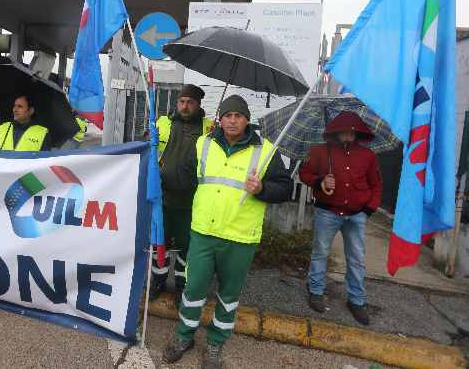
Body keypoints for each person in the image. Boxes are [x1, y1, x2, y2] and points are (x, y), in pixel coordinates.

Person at [164, 95, 291, 369]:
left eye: (238, 116)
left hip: (240, 237)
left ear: (247, 120)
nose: (232, 120)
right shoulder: (202, 144)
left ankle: (215, 343)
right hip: (203, 233)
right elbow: (183, 177)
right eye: (228, 115)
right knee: (193, 289)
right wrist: (157, 171)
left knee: (228, 296)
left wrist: (262, 189)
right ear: (219, 119)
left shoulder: (266, 150)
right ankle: (184, 336)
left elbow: (285, 189)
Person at [299, 111, 382, 326]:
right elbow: (304, 173)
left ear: (358, 134)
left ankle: (357, 300)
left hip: (357, 215)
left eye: (352, 133)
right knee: (321, 253)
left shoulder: (368, 156)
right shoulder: (320, 152)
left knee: (356, 258)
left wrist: (368, 209)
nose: (348, 136)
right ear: (335, 132)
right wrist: (320, 181)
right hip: (327, 212)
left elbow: (376, 184)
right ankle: (316, 290)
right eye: (343, 132)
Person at [150, 84, 213, 303]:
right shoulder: (162, 123)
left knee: (187, 248)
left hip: (193, 202)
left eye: (190, 102)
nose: (185, 106)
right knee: (160, 244)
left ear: (198, 105)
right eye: (182, 101)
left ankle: (180, 285)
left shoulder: (210, 128)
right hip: (163, 199)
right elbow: (147, 150)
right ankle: (157, 282)